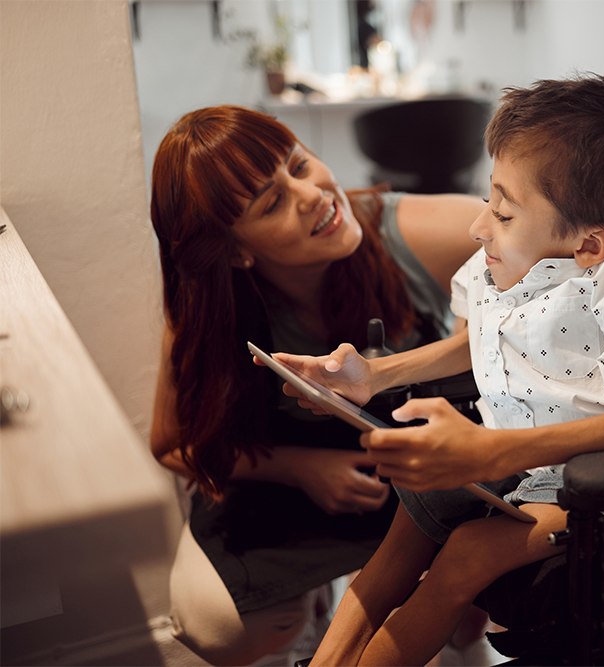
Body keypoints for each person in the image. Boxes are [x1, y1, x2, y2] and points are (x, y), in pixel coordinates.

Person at [280, 74, 604, 666]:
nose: (480, 224)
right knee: (401, 538)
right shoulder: (499, 260)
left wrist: (497, 452)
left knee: (465, 553)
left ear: (590, 245)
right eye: (490, 198)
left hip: (593, 480)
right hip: (506, 461)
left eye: (504, 212)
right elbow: (474, 339)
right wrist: (375, 375)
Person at [147, 105, 485, 665]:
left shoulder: (418, 231)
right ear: (235, 250)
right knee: (221, 629)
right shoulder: (209, 313)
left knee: (460, 621)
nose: (312, 194)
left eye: (298, 165)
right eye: (272, 202)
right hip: (286, 487)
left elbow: (560, 236)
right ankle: (311, 615)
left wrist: (478, 314)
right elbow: (171, 444)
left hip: (417, 479)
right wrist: (300, 467)